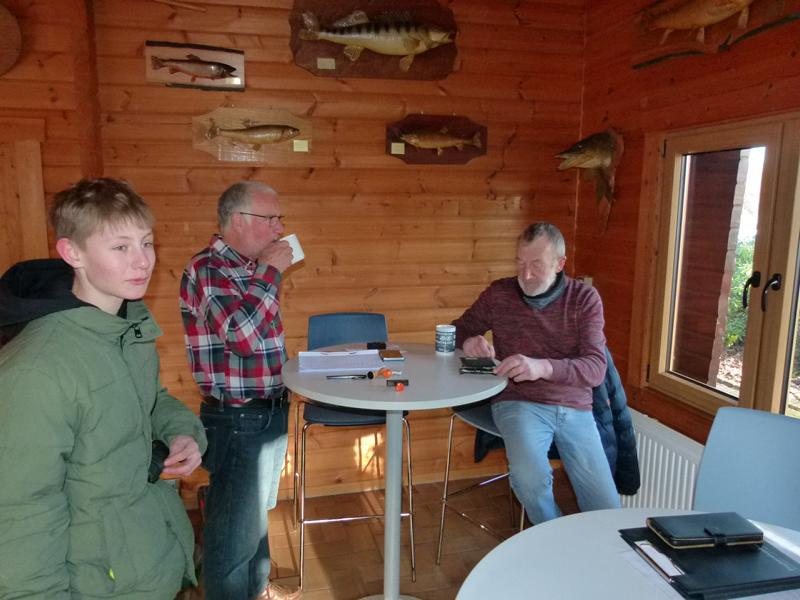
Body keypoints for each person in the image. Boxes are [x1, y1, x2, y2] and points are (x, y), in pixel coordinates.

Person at [0, 178, 206, 598]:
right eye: (121, 247)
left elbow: (149, 401)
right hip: (97, 583)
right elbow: (21, 512)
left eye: (146, 243)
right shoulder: (36, 371)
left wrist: (182, 432)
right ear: (72, 253)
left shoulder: (126, 327)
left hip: (148, 553)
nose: (142, 261)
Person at [452, 222, 621, 524]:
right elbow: (456, 330)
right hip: (518, 401)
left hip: (575, 407)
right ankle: (552, 538)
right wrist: (469, 341)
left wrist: (542, 366)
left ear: (560, 264)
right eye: (520, 263)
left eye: (536, 265)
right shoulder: (499, 294)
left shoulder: (584, 298)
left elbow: (596, 368)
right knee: (530, 480)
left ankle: (589, 548)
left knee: (607, 509)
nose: (526, 275)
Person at [179, 182, 299, 600]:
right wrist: (270, 272)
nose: (279, 228)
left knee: (255, 522)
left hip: (267, 411)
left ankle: (258, 591)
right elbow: (242, 339)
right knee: (232, 539)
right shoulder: (208, 269)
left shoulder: (250, 269)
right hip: (237, 418)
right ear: (238, 220)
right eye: (271, 219)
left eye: (280, 219)